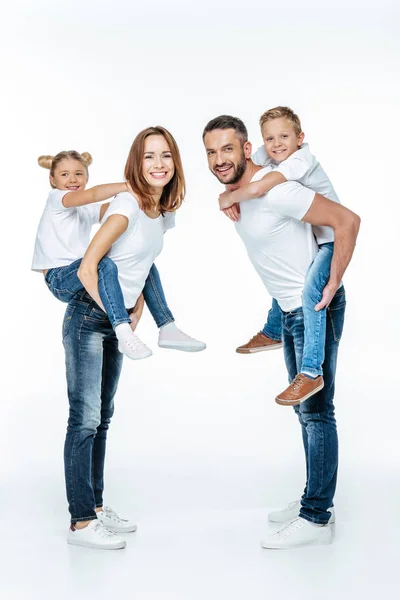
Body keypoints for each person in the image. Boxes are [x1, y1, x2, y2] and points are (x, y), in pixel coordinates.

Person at [203, 115, 360, 549]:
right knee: (305, 413)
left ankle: (316, 515)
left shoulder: (281, 191)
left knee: (316, 411)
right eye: (212, 152)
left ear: (245, 148)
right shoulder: (241, 191)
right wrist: (227, 196)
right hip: (289, 313)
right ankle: (315, 498)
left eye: (227, 149)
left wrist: (333, 281)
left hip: (314, 310)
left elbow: (348, 221)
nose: (219, 159)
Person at [60, 126, 190, 549]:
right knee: (84, 419)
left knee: (103, 418)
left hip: (117, 325)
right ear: (136, 163)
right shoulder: (127, 204)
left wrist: (136, 310)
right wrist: (117, 315)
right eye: (149, 156)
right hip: (87, 319)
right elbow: (88, 267)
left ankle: (95, 508)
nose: (158, 164)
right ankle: (81, 523)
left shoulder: (160, 211)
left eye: (165, 156)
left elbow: (140, 266)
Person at [216, 106, 342, 405]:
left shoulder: (300, 160)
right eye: (269, 138)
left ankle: (311, 371)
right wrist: (229, 186)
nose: (276, 145)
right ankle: (274, 330)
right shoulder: (271, 152)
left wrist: (228, 196)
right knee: (282, 269)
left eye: (284, 136)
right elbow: (244, 165)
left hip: (331, 241)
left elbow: (260, 184)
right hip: (313, 236)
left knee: (310, 291)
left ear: (300, 138)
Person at [32, 151, 205, 359]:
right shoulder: (57, 199)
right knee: (105, 264)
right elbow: (93, 194)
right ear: (52, 179)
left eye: (79, 174)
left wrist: (142, 198)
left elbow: (114, 208)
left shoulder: (85, 209)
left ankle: (167, 326)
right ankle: (122, 328)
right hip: (58, 277)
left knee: (145, 262)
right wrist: (128, 186)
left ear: (86, 177)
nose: (72, 180)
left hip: (77, 273)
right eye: (64, 175)